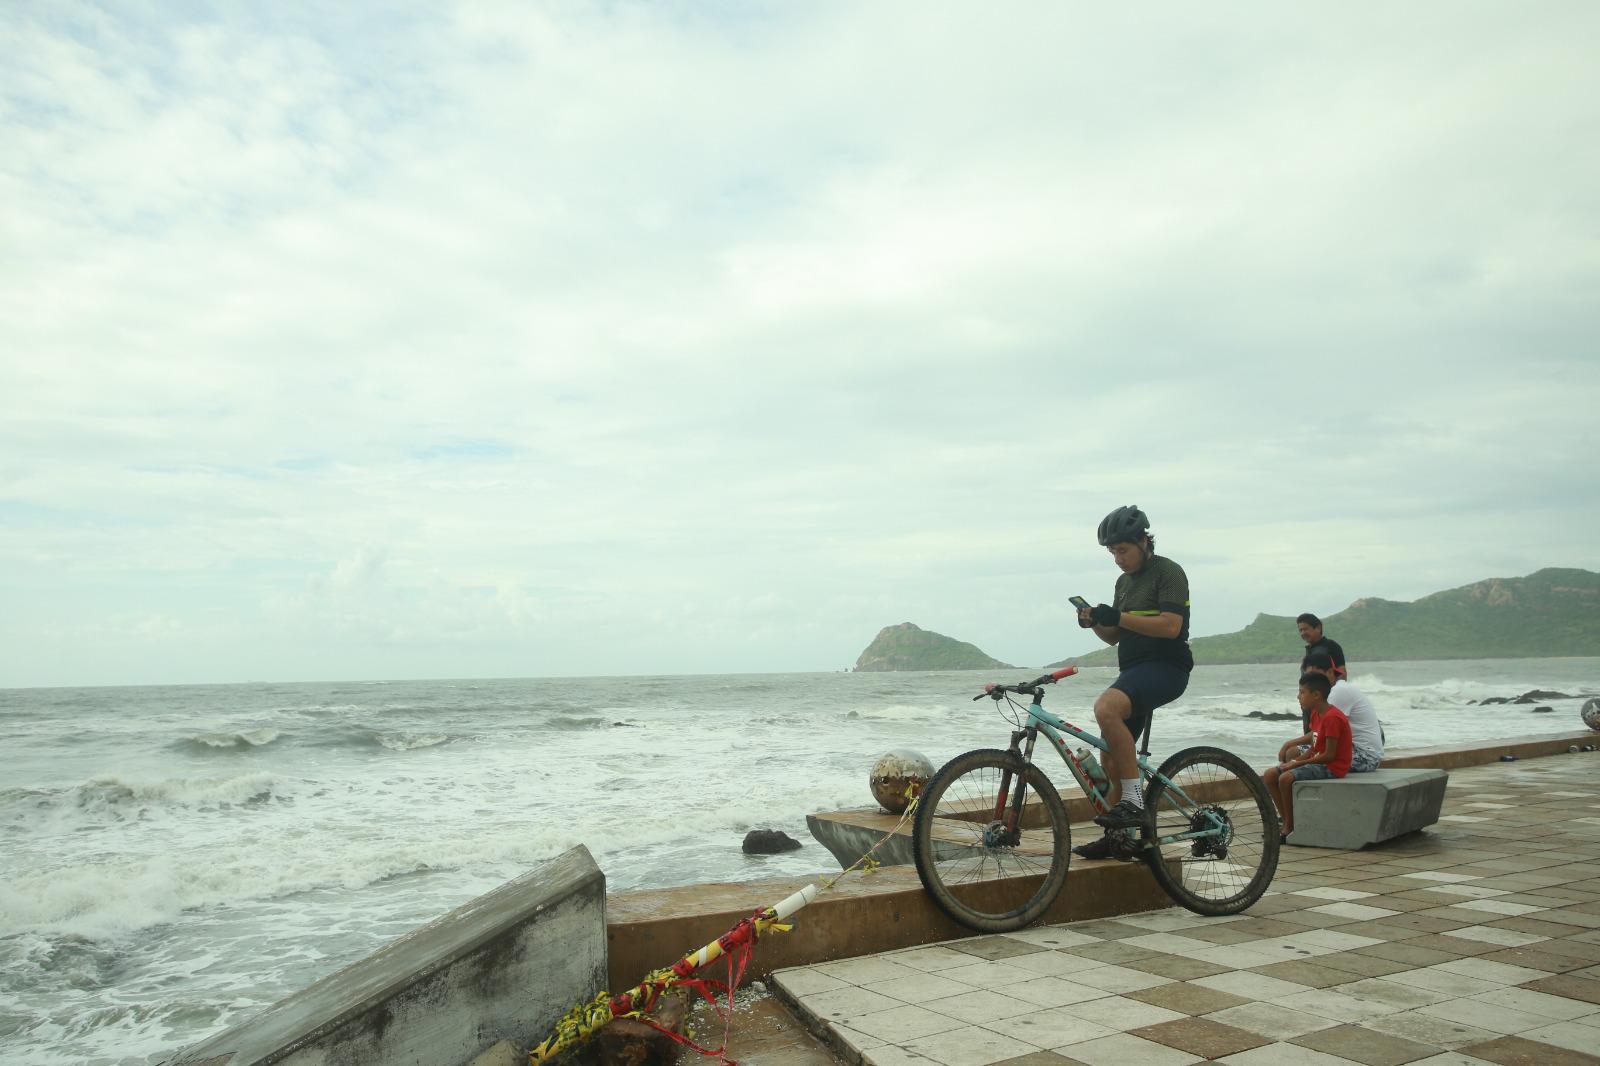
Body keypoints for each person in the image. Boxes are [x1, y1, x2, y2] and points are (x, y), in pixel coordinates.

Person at [1071, 505, 1193, 861]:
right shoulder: (1123, 583)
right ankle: (1118, 837)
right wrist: (1094, 621)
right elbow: (1114, 637)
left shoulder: (1168, 572)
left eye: (1123, 550)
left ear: (1143, 541)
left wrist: (1119, 616)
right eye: (1112, 553)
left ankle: (1134, 801)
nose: (1118, 559)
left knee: (1105, 708)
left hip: (1166, 667)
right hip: (1134, 670)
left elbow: (1171, 626)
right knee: (1110, 756)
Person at [1263, 672, 1352, 841]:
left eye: (1302, 692)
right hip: (1320, 761)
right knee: (1270, 775)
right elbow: (1315, 747)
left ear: (1316, 695)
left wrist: (1295, 765)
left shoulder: (1333, 718)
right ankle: (1287, 820)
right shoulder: (1316, 714)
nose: (1298, 697)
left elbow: (1328, 755)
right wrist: (1296, 761)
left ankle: (1289, 827)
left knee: (1285, 778)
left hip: (1334, 767)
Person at [1301, 650, 1383, 771]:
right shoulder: (1334, 690)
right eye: (1308, 676)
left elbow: (1321, 734)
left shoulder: (1338, 691)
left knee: (1294, 754)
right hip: (1356, 750)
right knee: (1295, 753)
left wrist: (1289, 744)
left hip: (1366, 756)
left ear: (1329, 672)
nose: (1311, 680)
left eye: (1314, 674)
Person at [1296, 613, 1347, 680]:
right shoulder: (1309, 650)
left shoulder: (1331, 646)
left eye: (1305, 629)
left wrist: (1335, 690)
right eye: (1300, 630)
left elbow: (1342, 674)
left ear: (1318, 628)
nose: (1302, 633)